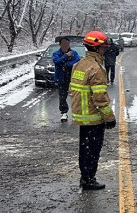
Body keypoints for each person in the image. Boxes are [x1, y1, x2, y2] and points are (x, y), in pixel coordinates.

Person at [69, 31, 117, 190]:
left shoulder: (79, 64)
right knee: (93, 150)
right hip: (93, 117)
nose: (105, 50)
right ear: (97, 49)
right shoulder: (96, 68)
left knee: (84, 149)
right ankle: (89, 179)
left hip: (81, 116)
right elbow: (100, 98)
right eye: (103, 47)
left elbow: (72, 90)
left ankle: (84, 177)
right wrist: (109, 118)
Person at [52, 37, 81, 122]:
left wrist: (67, 64)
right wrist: (65, 56)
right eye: (63, 44)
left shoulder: (74, 53)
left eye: (67, 44)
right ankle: (64, 112)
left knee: (75, 95)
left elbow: (77, 61)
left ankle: (76, 112)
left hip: (72, 77)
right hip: (61, 78)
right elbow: (56, 61)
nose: (65, 46)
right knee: (62, 96)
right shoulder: (56, 53)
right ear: (60, 45)